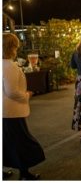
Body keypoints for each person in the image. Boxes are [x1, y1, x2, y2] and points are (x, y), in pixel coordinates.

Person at [2, 33, 44, 180]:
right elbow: (12, 91)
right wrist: (27, 95)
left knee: (7, 142)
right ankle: (24, 174)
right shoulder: (9, 66)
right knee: (21, 142)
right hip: (12, 111)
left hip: (4, 110)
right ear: (12, 47)